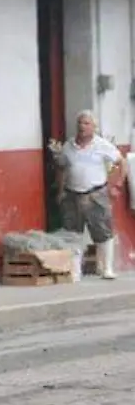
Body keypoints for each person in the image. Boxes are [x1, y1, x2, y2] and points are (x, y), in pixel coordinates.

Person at [49, 110, 127, 280]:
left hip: (96, 194)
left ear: (93, 127)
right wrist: (61, 191)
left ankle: (107, 268)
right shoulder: (69, 146)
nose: (82, 127)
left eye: (86, 123)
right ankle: (75, 271)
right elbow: (61, 168)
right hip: (72, 195)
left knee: (103, 231)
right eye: (80, 123)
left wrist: (117, 185)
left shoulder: (102, 145)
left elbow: (121, 162)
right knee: (73, 233)